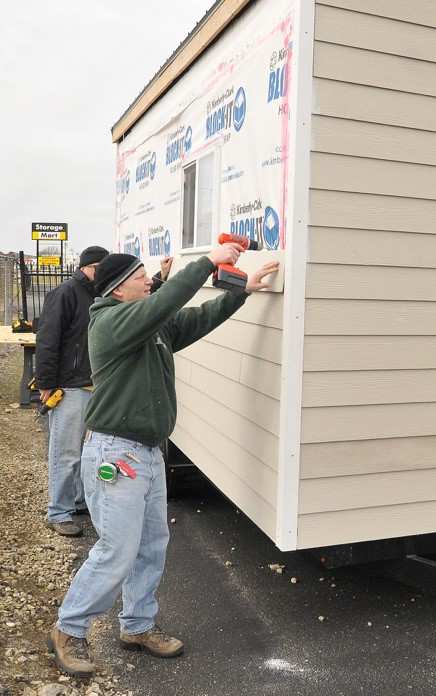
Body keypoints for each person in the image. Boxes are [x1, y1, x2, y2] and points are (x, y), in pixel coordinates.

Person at [48, 244, 279, 678]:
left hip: (148, 453)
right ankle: (69, 628)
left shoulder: (148, 326)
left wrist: (240, 291)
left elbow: (192, 320)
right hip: (116, 455)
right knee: (117, 549)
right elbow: (170, 300)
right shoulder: (112, 324)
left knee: (152, 546)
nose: (148, 280)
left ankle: (136, 625)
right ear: (118, 289)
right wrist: (208, 262)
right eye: (139, 276)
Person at [35, 245, 110, 537]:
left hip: (92, 384)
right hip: (69, 386)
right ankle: (58, 511)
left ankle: (77, 502)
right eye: (102, 269)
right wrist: (46, 383)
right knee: (65, 452)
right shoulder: (65, 293)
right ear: (89, 267)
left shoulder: (96, 293)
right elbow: (48, 340)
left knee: (85, 451)